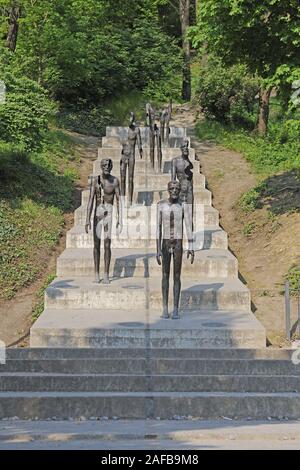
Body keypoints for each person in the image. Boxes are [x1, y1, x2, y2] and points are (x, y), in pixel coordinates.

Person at [156, 180, 194, 320]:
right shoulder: (160, 205)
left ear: (179, 190)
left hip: (178, 243)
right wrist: (157, 249)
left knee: (176, 276)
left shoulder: (183, 206)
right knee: (165, 275)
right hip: (165, 243)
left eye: (177, 188)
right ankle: (165, 308)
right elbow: (158, 228)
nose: (174, 191)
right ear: (168, 189)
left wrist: (191, 246)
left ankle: (176, 309)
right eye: (172, 188)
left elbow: (189, 226)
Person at [85, 158, 122, 284]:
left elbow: (118, 201)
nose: (106, 167)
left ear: (111, 167)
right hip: (97, 215)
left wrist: (120, 219)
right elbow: (90, 200)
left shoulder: (115, 181)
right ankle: (96, 273)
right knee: (96, 244)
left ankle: (106, 273)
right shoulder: (95, 180)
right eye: (104, 165)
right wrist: (87, 219)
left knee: (107, 244)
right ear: (101, 166)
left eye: (108, 165)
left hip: (109, 214)